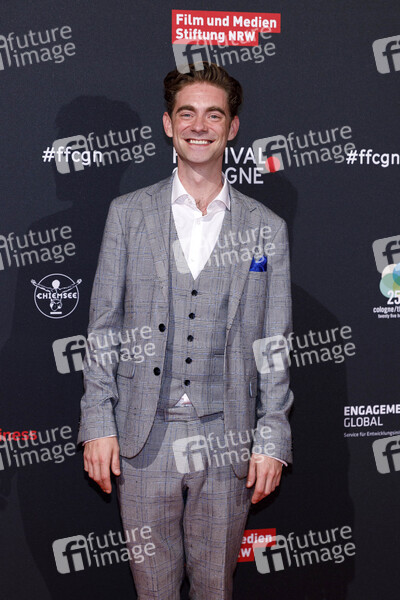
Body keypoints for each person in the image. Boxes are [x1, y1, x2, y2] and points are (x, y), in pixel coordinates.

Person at [78, 61, 294, 600]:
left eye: (213, 115)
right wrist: (97, 422)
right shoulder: (128, 214)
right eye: (187, 113)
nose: (200, 126)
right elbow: (103, 327)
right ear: (168, 124)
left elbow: (273, 343)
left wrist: (271, 437)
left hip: (228, 438)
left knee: (216, 589)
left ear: (232, 127)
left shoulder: (266, 228)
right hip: (143, 438)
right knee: (152, 591)